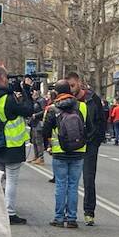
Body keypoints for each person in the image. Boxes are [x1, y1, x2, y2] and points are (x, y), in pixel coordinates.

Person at [0, 66, 38, 225]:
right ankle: (9, 212)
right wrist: (26, 89)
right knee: (11, 179)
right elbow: (27, 109)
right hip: (11, 143)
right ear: (3, 79)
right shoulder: (7, 99)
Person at [41, 80, 90, 228]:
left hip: (59, 152)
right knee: (73, 186)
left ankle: (59, 218)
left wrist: (48, 145)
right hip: (78, 151)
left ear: (56, 92)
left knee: (61, 185)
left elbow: (45, 131)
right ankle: (72, 218)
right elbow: (88, 127)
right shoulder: (82, 106)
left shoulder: (51, 108)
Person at [67, 72, 106, 226]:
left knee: (89, 179)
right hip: (73, 144)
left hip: (90, 144)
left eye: (73, 85)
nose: (71, 89)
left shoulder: (92, 99)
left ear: (79, 83)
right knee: (71, 179)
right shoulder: (68, 100)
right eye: (69, 86)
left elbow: (101, 121)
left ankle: (89, 212)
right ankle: (69, 213)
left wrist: (96, 140)